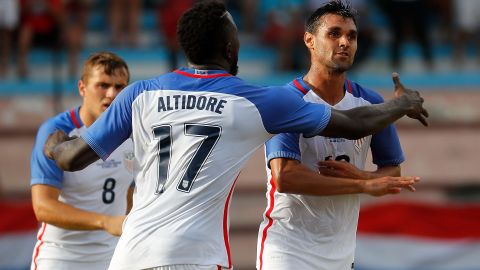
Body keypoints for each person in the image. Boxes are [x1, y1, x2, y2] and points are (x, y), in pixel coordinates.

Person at [43, 1, 428, 270]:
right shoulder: (256, 100)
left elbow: (71, 158)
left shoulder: (139, 94)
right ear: (231, 48)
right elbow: (353, 124)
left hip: (129, 254)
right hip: (197, 255)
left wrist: (54, 143)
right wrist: (402, 104)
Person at [256, 2, 415, 270]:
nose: (345, 42)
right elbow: (286, 177)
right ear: (309, 40)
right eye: (334, 34)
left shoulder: (371, 102)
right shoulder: (285, 100)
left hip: (342, 255)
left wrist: (362, 176)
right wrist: (363, 186)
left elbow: (392, 172)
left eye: (351, 36)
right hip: (287, 252)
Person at [30, 52, 134, 270]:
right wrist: (105, 222)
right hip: (61, 257)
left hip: (114, 257)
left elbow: (129, 191)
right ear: (82, 88)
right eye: (103, 85)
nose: (112, 94)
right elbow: (43, 207)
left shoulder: (134, 131)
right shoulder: (56, 132)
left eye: (120, 86)